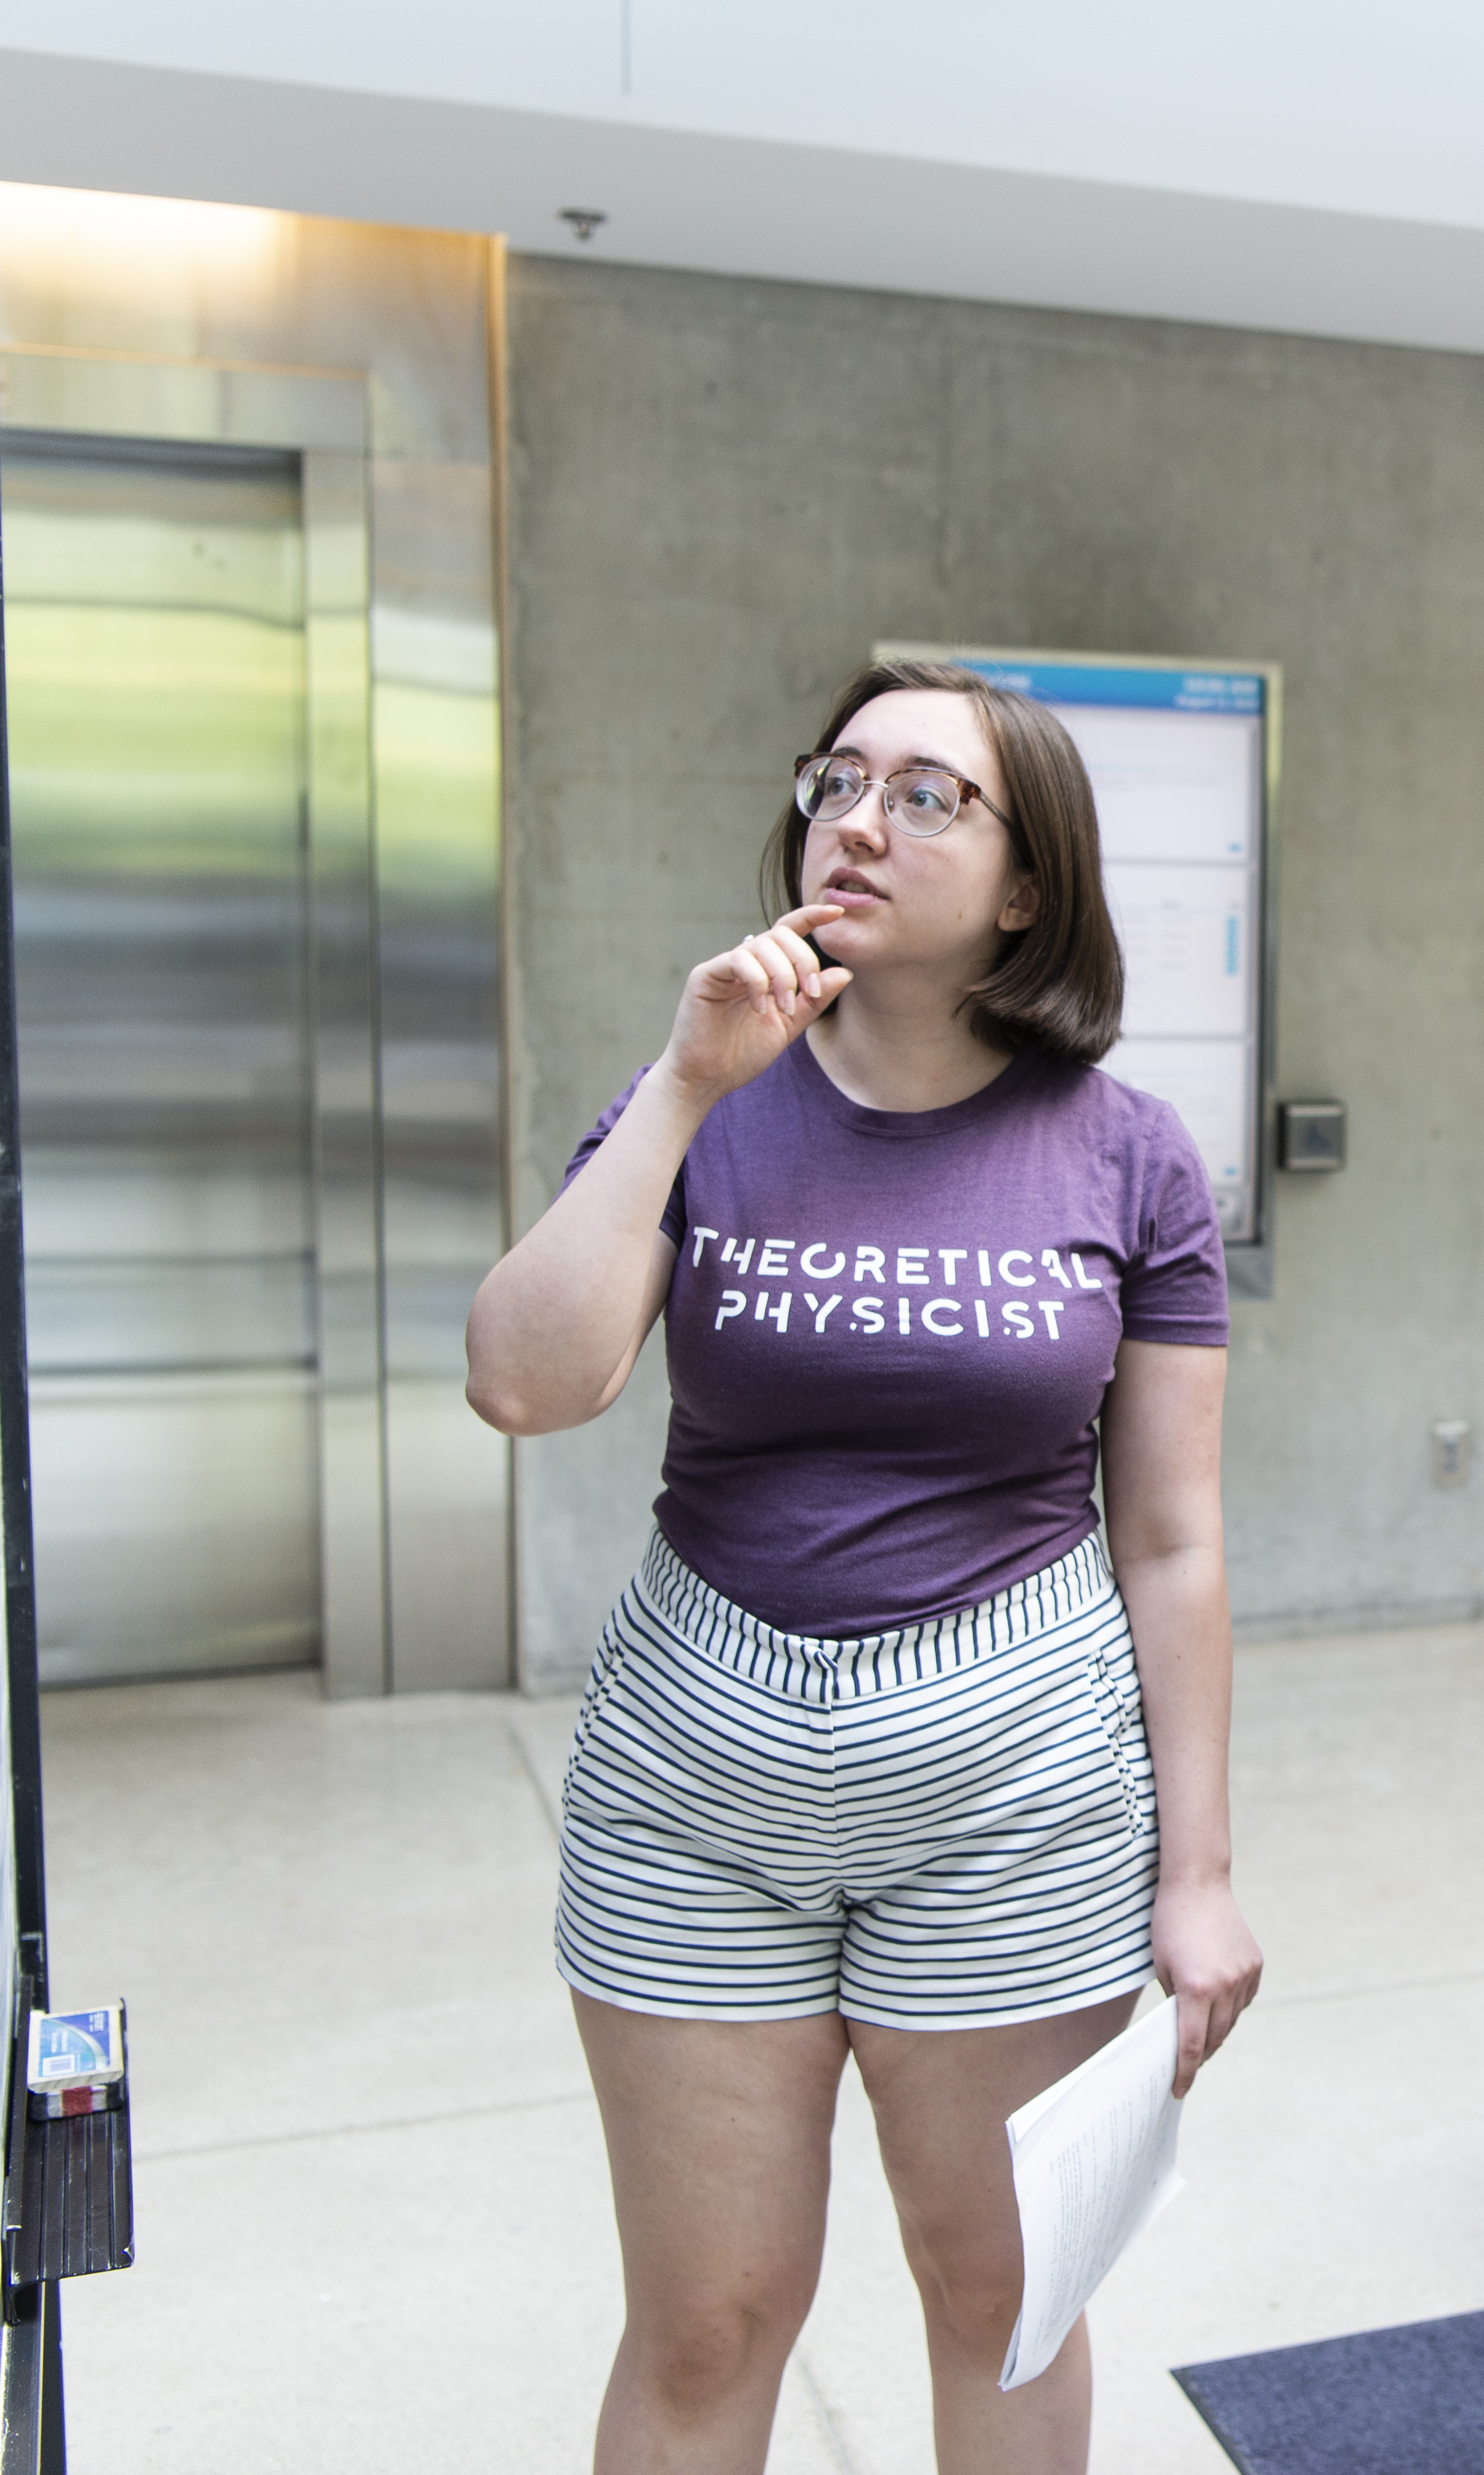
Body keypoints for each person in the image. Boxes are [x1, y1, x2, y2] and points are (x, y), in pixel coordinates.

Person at [464, 657, 1262, 2475]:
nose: (858, 816)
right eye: (839, 778)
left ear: (1029, 880)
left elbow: (1175, 1531)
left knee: (1001, 2297)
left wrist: (1199, 1874)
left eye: (926, 794)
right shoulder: (708, 1103)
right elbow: (525, 1380)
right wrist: (680, 1087)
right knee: (707, 2323)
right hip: (694, 1785)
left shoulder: (1129, 1153)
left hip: (1019, 1794)